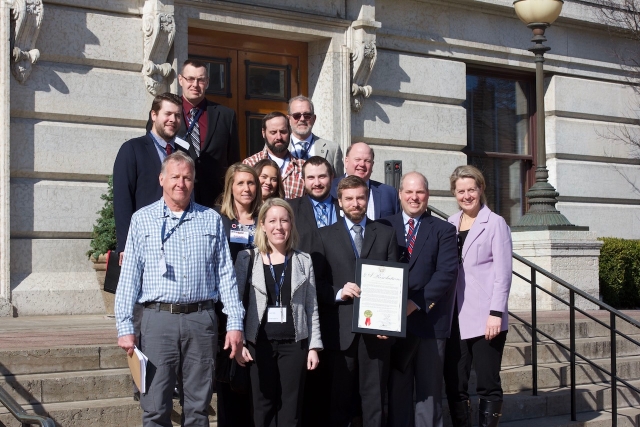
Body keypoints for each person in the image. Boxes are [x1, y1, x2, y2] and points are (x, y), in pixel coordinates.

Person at [115, 151, 245, 427]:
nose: (181, 183)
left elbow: (226, 276)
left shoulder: (210, 219)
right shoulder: (142, 220)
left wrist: (234, 322)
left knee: (198, 408)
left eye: (187, 177)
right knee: (154, 407)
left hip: (201, 321)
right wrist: (125, 326)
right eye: (175, 177)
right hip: (157, 321)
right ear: (162, 179)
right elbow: (129, 277)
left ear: (194, 181)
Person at [112, 92, 185, 400]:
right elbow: (122, 199)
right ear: (154, 115)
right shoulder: (133, 149)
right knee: (141, 318)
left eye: (177, 116)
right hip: (142, 247)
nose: (172, 120)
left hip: (179, 249)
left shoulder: (183, 152)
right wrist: (126, 245)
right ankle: (142, 386)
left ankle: (176, 382)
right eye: (167, 114)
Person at [316, 175, 399, 427]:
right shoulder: (324, 236)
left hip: (376, 333)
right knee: (339, 402)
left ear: (367, 199)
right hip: (339, 333)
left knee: (374, 401)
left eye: (360, 198)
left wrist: (389, 322)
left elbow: (395, 282)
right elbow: (316, 285)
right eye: (349, 198)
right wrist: (339, 292)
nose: (355, 203)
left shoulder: (385, 233)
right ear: (339, 202)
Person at [235, 198, 323, 427]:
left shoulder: (303, 260)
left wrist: (314, 346)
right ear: (262, 224)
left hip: (294, 344)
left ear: (291, 224)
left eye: (284, 220)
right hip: (258, 343)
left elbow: (311, 305)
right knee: (262, 406)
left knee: (290, 408)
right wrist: (240, 342)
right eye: (272, 220)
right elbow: (236, 304)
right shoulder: (247, 259)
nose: (279, 226)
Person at [379, 172, 458, 427]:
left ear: (428, 195)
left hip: (429, 322)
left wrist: (417, 303)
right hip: (394, 322)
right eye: (409, 192)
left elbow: (446, 272)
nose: (414, 197)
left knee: (429, 392)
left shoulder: (444, 230)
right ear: (400, 194)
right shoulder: (383, 226)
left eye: (420, 192)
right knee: (398, 391)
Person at [444, 165, 512, 427]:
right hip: (455, 317)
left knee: (488, 382)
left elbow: (503, 273)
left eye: (471, 189)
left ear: (481, 189)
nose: (467, 195)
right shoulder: (449, 223)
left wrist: (496, 313)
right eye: (461, 191)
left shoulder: (495, 223)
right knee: (455, 382)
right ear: (454, 193)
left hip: (486, 317)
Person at [287, 156, 340, 427]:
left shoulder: (346, 205)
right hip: (305, 305)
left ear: (331, 177)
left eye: (322, 176)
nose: (317, 182)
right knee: (307, 382)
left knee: (337, 383)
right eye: (311, 177)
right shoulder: (291, 210)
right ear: (303, 180)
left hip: (342, 305)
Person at [214, 163, 261, 427]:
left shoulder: (265, 219)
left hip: (260, 310)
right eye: (240, 183)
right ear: (230, 186)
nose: (246, 188)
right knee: (230, 387)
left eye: (251, 183)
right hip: (227, 313)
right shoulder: (218, 220)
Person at [177, 58, 240, 207]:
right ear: (181, 80)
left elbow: (234, 162)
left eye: (201, 80)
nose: (195, 85)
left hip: (216, 200)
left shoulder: (226, 115)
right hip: (177, 195)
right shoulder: (167, 114)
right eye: (190, 79)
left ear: (207, 82)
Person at [243, 112, 305, 199]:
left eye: (283, 132)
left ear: (290, 132)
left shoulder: (302, 167)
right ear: (263, 133)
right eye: (273, 132)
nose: (279, 137)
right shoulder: (250, 164)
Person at [331, 142, 400, 220]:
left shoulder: (389, 193)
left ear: (372, 165)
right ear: (346, 162)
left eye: (367, 161)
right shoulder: (330, 189)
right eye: (357, 159)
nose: (362, 164)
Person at [287, 95, 344, 176]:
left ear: (314, 118)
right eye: (297, 116)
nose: (302, 119)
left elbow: (338, 183)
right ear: (289, 119)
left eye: (307, 115)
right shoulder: (277, 147)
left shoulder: (332, 149)